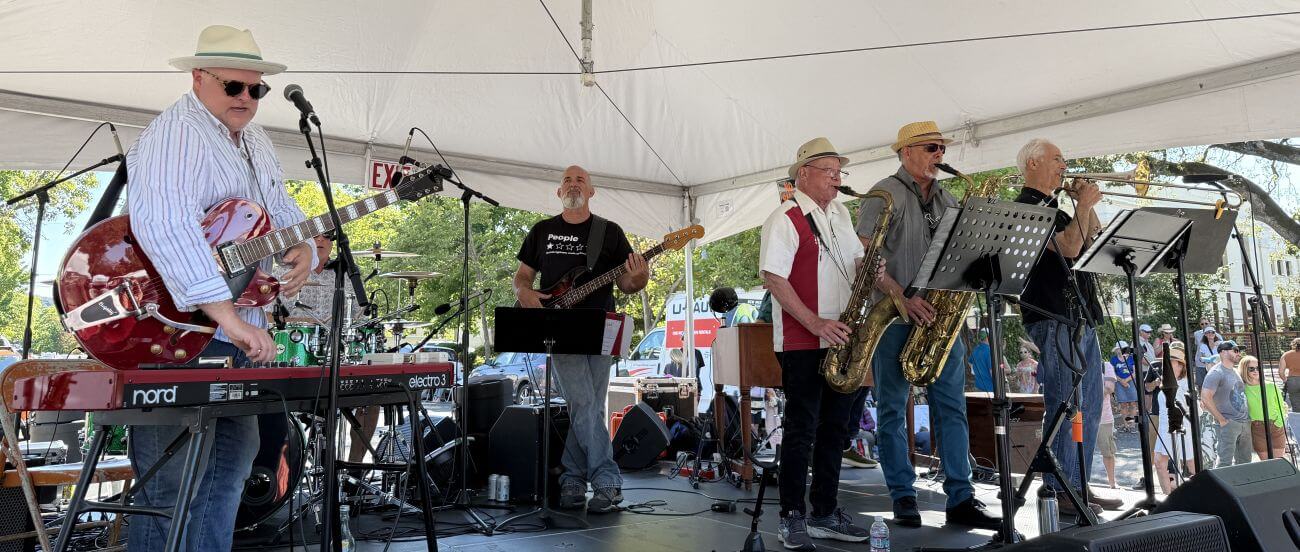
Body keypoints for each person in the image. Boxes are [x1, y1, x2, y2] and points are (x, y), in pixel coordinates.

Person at [126, 25, 314, 551]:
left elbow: (281, 210)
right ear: (198, 78)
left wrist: (308, 250)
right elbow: (166, 223)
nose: (247, 99)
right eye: (234, 87)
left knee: (230, 467)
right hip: (172, 328)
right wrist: (225, 314)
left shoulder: (255, 140)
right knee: (169, 481)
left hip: (234, 334)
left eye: (256, 90)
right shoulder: (177, 131)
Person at [856, 122, 1000, 531]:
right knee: (891, 410)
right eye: (931, 147)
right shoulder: (883, 194)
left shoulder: (948, 197)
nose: (940, 154)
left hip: (939, 318)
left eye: (941, 148)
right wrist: (903, 298)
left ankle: (962, 497)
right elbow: (865, 261)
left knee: (952, 409)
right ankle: (902, 495)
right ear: (905, 152)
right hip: (894, 317)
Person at [514, 165, 649, 513]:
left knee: (585, 404)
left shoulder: (609, 232)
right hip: (559, 327)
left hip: (601, 326)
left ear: (591, 191)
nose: (573, 184)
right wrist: (525, 294)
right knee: (585, 403)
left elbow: (626, 284)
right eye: (567, 180)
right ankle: (607, 479)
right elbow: (523, 276)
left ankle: (572, 477)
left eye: (580, 180)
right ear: (559, 192)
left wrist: (642, 276)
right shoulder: (542, 231)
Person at [760, 137, 871, 549]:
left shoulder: (840, 213)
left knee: (835, 429)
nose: (837, 179)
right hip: (801, 340)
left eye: (840, 172)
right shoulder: (785, 217)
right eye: (830, 172)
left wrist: (873, 267)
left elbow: (855, 264)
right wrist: (815, 322)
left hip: (841, 336)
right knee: (802, 430)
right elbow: (773, 278)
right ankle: (791, 516)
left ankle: (825, 512)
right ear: (803, 174)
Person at [1012, 138, 1120, 516]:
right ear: (1034, 163)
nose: (1064, 165)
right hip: (1053, 317)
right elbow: (1069, 248)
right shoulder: (1024, 208)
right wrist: (1084, 205)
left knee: (1089, 406)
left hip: (1080, 316)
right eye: (1057, 159)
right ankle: (1059, 487)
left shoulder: (1057, 208)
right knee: (1064, 403)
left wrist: (1084, 207)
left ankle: (1077, 484)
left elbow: (1090, 243)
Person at [1152, 343, 1196, 495]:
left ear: (1180, 366)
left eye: (1171, 362)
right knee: (1159, 462)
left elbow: (1195, 409)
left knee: (1192, 465)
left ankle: (1203, 495)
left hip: (1181, 427)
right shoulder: (1165, 381)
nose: (1167, 365)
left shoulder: (1185, 384)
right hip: (1165, 428)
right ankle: (1168, 499)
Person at [1200, 341, 1252, 467]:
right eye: (1235, 350)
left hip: (1244, 422)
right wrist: (1221, 420)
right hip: (1228, 423)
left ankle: (1242, 486)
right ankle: (1221, 487)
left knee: (1245, 462)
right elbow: (1205, 398)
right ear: (1223, 352)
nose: (1238, 353)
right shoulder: (1216, 372)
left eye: (1239, 350)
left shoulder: (1234, 371)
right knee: (1225, 462)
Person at [1239, 354, 1287, 460]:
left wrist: (1279, 422)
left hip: (1276, 426)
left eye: (1258, 368)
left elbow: (1281, 406)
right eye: (1251, 369)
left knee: (1278, 462)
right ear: (1244, 370)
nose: (1256, 371)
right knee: (1266, 464)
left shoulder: (1271, 386)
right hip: (1257, 428)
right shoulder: (1242, 389)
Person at [1099, 359, 1119, 489]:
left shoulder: (1105, 366)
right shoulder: (1075, 364)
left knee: (1108, 452)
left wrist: (1086, 394)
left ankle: (1112, 483)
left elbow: (1109, 388)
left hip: (1103, 418)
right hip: (1080, 417)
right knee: (1079, 452)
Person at [1112, 342, 1138, 433]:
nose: (1119, 350)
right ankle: (1126, 425)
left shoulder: (1131, 359)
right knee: (1123, 404)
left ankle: (1132, 424)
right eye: (1118, 349)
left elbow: (1135, 372)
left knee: (1133, 403)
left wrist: (1126, 380)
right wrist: (1121, 381)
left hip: (1130, 381)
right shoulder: (1114, 359)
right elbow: (1112, 372)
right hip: (1119, 383)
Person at [1281, 338, 1300, 411]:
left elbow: (1281, 372)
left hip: (1292, 380)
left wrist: (1285, 380)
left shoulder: (1286, 355)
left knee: (1296, 406)